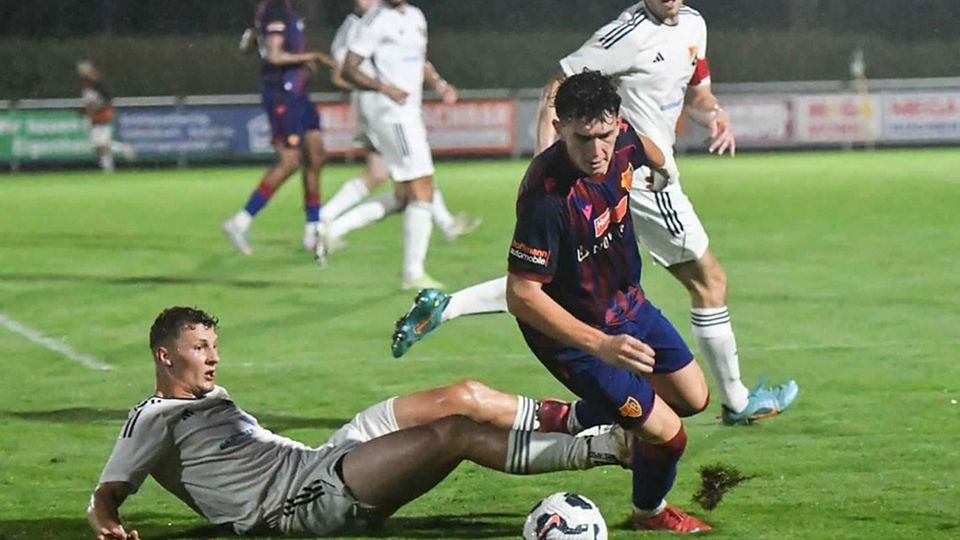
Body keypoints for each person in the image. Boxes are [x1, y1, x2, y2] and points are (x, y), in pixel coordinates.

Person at [392, 0, 798, 427]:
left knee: (562, 277)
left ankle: (449, 306)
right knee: (709, 280)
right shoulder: (628, 33)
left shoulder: (695, 26)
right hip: (632, 178)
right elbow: (559, 85)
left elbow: (698, 97)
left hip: (647, 165)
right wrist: (546, 156)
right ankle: (735, 401)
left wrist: (714, 116)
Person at [86, 306, 631, 539]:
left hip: (320, 459)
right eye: (200, 348)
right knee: (454, 434)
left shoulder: (210, 396)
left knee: (457, 396)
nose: (214, 357)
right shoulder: (152, 418)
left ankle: (582, 415)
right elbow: (107, 491)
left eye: (214, 346)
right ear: (164, 356)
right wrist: (105, 520)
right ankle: (608, 448)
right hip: (299, 505)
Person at [500, 70, 710, 532]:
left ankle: (576, 415)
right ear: (559, 130)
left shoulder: (623, 138)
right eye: (582, 138)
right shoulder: (545, 198)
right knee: (669, 437)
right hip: (575, 338)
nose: (597, 152)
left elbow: (647, 150)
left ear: (616, 123)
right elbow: (520, 294)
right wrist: (599, 346)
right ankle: (648, 514)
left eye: (605, 136)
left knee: (694, 397)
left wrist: (665, 173)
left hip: (627, 304)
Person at [320, 0, 480, 257]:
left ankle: (330, 227)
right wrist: (384, 88)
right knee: (416, 182)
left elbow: (420, 60)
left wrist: (439, 85)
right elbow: (343, 72)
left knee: (401, 187)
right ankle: (416, 265)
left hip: (402, 110)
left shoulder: (415, 16)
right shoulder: (361, 24)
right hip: (385, 111)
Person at [222, 0, 336, 262]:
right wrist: (312, 56)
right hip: (283, 97)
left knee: (316, 155)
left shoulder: (275, 11)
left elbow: (248, 44)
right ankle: (240, 222)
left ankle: (312, 231)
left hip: (298, 94)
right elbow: (274, 55)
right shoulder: (275, 11)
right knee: (291, 161)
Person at [76, 60, 135, 173]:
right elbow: (89, 101)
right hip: (95, 116)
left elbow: (107, 98)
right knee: (99, 145)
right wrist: (86, 111)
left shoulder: (97, 82)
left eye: (83, 69)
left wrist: (97, 108)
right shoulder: (88, 84)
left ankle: (124, 149)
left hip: (103, 115)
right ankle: (108, 168)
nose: (81, 72)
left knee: (101, 143)